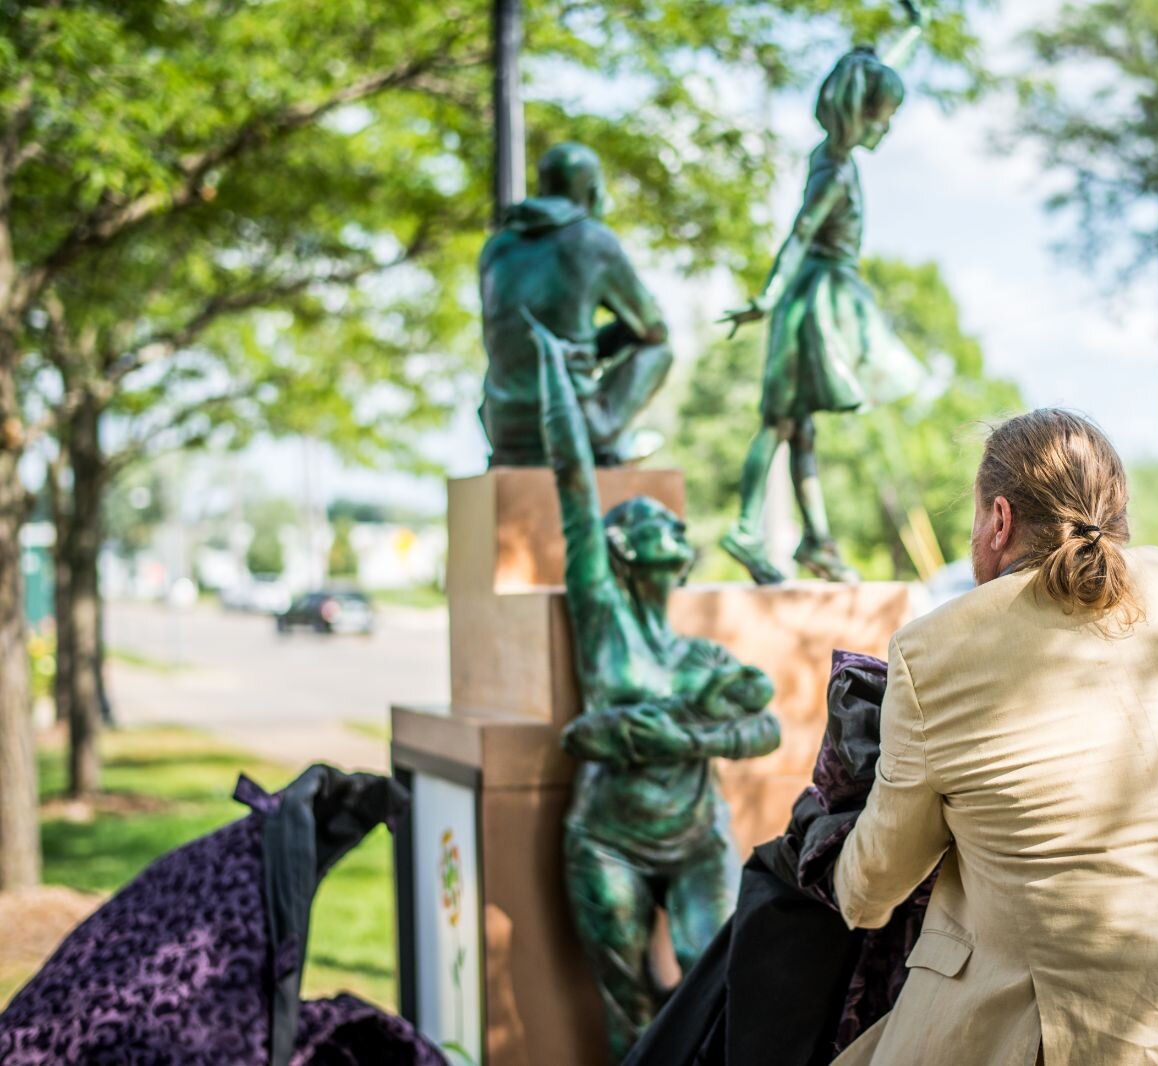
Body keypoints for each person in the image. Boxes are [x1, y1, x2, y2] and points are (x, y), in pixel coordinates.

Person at [830, 409, 1158, 1065]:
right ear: (1118, 507)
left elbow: (872, 891)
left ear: (999, 520)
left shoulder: (935, 647)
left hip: (1066, 1038)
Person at [532, 312, 781, 1061]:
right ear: (621, 550)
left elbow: (763, 716)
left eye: (674, 527)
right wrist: (555, 375)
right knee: (630, 1005)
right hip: (606, 840)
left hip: (695, 834)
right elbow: (574, 480)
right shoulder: (603, 621)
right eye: (651, 522)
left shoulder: (697, 656)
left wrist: (689, 736)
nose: (671, 529)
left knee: (724, 975)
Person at [718, 11, 927, 585]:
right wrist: (766, 297)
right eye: (882, 120)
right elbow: (799, 235)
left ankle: (816, 539)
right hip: (810, 302)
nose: (885, 130)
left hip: (822, 295)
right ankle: (742, 526)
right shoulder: (833, 172)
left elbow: (886, 66)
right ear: (857, 113)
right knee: (779, 421)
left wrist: (914, 28)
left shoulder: (841, 154)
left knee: (800, 426)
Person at [478, 142, 673, 467]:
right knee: (660, 351)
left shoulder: (495, 248)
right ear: (593, 191)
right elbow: (655, 329)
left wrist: (602, 343)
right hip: (573, 423)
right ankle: (605, 441)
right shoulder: (592, 239)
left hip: (502, 427)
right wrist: (620, 336)